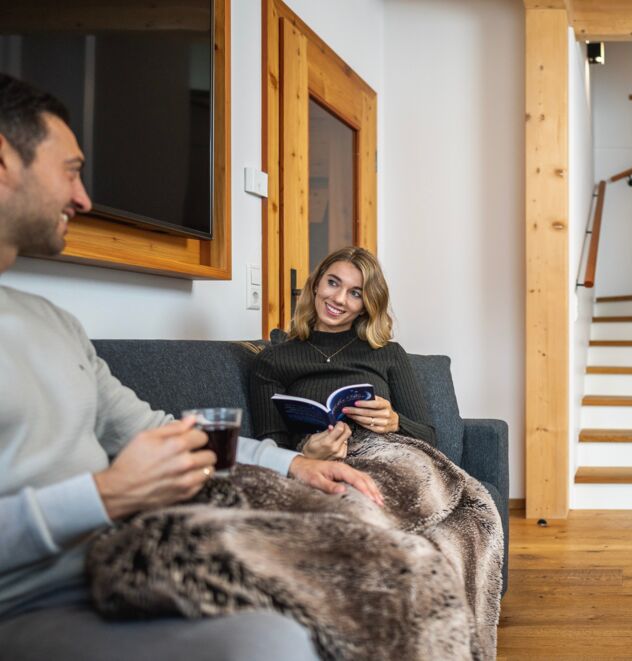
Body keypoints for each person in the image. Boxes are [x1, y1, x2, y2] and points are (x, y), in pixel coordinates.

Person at [0, 73, 382, 659]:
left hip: (129, 562)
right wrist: (102, 497)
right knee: (268, 644)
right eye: (71, 170)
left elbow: (156, 430)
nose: (83, 198)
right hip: (31, 603)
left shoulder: (55, 324)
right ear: (5, 164)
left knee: (348, 584)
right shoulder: (278, 357)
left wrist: (293, 466)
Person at [249, 246, 436, 461]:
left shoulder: (388, 354)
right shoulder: (272, 361)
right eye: (333, 283)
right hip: (317, 469)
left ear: (365, 306)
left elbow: (429, 438)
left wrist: (395, 422)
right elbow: (271, 450)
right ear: (317, 283)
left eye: (355, 293)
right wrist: (306, 455)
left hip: (388, 460)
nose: (339, 299)